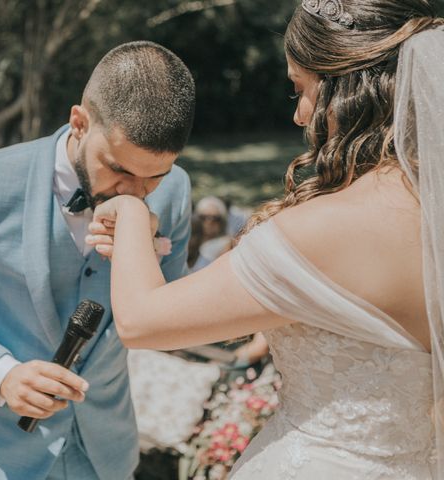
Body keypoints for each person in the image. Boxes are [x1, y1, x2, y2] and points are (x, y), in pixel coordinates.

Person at [88, 2, 444, 478]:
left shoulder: (322, 229)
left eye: (300, 89)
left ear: (347, 87)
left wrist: (131, 211)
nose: (299, 115)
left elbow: (141, 321)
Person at [0, 41, 195, 480]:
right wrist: (1, 374)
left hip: (108, 455)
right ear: (79, 122)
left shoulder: (175, 192)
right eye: (119, 170)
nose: (135, 193)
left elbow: (165, 325)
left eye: (154, 177)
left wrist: (140, 254)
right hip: (2, 456)